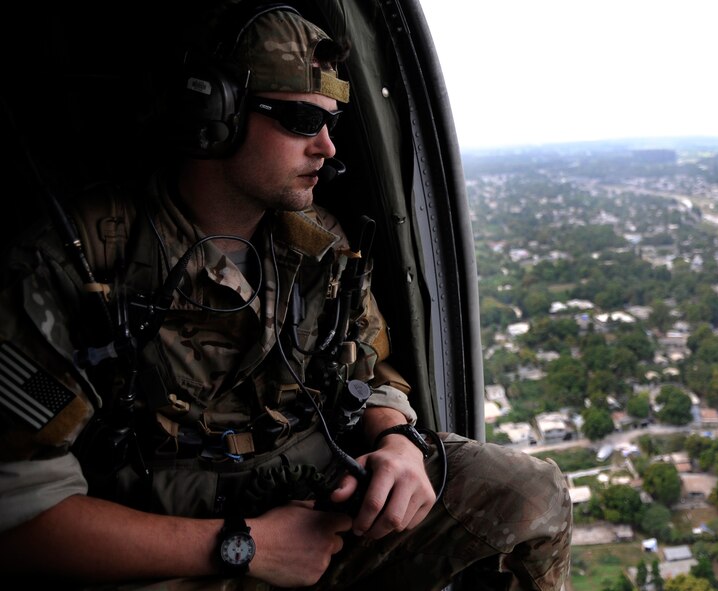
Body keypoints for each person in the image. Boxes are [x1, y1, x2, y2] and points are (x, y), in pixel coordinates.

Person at [0, 2, 572, 589]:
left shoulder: (317, 244)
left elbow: (370, 367)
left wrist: (395, 440)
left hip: (319, 509)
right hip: (166, 546)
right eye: (301, 120)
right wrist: (245, 546)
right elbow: (19, 516)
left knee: (530, 493)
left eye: (332, 122)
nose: (326, 147)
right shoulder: (75, 265)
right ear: (215, 113)